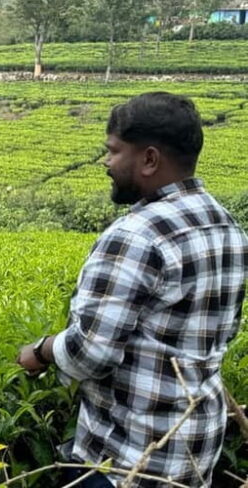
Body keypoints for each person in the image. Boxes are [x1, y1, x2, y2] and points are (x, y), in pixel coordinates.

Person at [17, 92, 248, 488]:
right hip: (194, 450)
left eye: (113, 151)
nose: (106, 163)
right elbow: (223, 334)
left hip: (126, 462)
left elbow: (91, 352)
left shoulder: (135, 235)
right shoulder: (226, 226)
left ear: (149, 159)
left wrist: (40, 351)